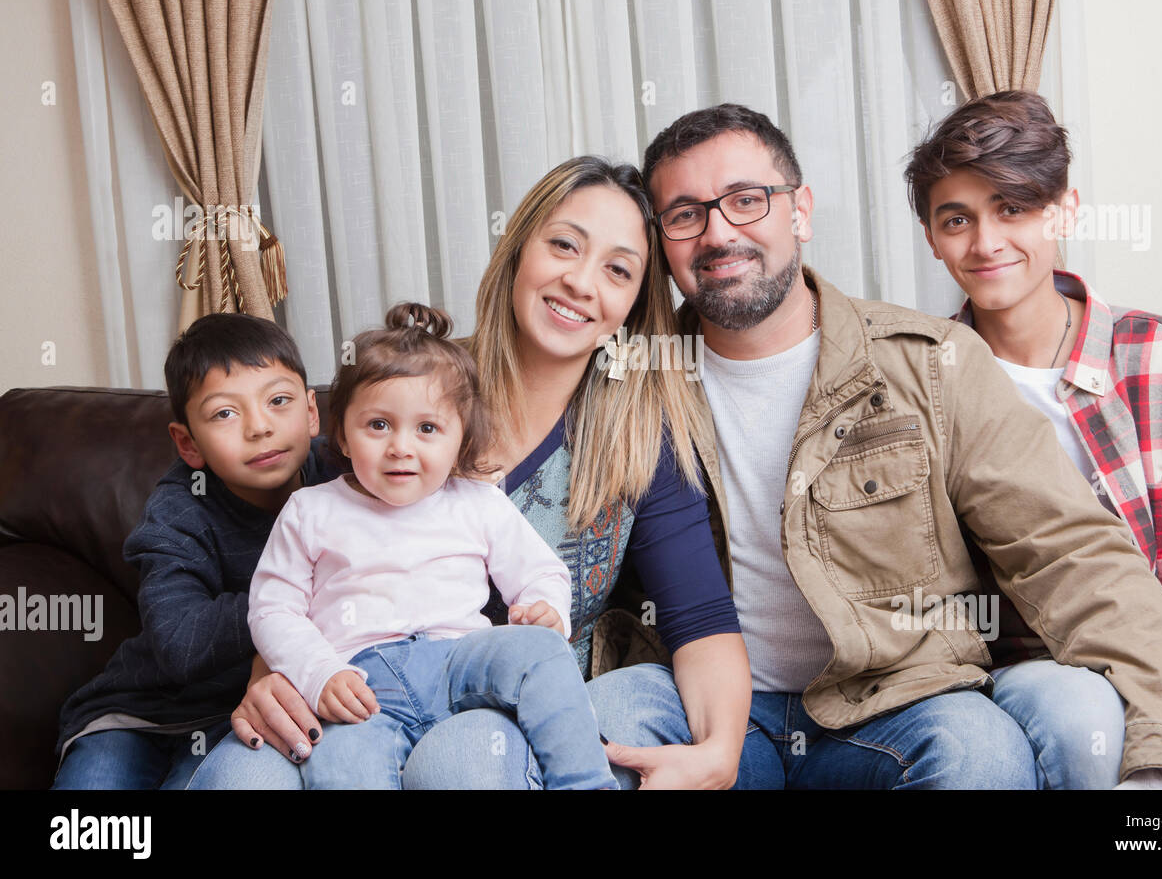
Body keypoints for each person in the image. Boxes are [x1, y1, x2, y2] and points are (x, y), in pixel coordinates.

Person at [586, 102, 1162, 789]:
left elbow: (1074, 559)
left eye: (746, 201)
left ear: (800, 211)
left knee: (980, 750)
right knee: (610, 714)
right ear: (662, 241)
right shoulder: (630, 381)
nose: (718, 232)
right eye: (685, 214)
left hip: (891, 706)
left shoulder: (932, 363)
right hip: (706, 703)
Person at [188, 156, 748, 790]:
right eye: (563, 244)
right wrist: (271, 677)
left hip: (524, 698)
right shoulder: (400, 388)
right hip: (357, 692)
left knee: (461, 764)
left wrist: (722, 751)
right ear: (517, 251)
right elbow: (303, 572)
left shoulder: (640, 436)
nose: (581, 282)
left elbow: (700, 618)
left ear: (633, 304)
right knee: (239, 779)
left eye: (617, 269)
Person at [905, 89, 1162, 786]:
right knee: (1078, 714)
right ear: (933, 239)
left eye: (1013, 209)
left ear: (1066, 209)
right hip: (1049, 677)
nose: (986, 242)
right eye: (957, 219)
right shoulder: (922, 392)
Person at [244, 302, 616, 789]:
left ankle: (586, 783)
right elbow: (272, 611)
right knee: (340, 766)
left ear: (460, 439)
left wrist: (544, 609)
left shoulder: (478, 501)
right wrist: (319, 675)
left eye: (427, 428)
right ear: (344, 434)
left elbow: (540, 572)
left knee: (541, 651)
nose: (401, 446)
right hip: (359, 683)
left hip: (459, 660)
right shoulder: (310, 510)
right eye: (378, 425)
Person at [52, 313, 337, 789]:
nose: (259, 427)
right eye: (225, 413)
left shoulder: (343, 473)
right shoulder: (180, 508)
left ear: (311, 412)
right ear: (188, 443)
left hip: (234, 719)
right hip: (140, 714)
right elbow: (180, 643)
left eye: (279, 401)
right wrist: (294, 600)